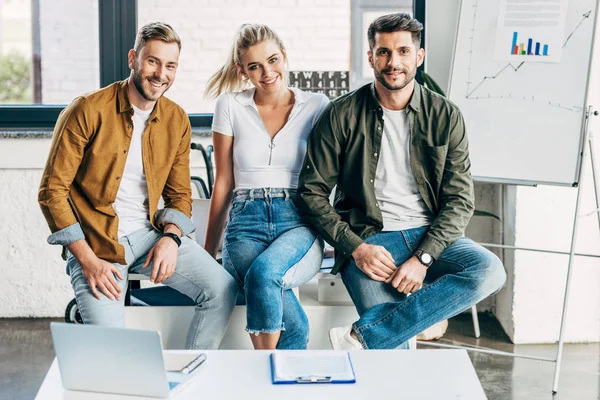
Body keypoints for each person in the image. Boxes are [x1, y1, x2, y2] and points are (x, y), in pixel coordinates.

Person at [297, 13, 506, 350]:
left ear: (418, 57)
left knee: (489, 271)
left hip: (431, 234)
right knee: (394, 341)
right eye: (383, 52)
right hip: (370, 239)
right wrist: (357, 249)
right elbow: (311, 193)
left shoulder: (446, 116)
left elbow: (460, 199)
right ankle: (403, 330)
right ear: (371, 57)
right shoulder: (341, 114)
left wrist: (423, 258)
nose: (393, 62)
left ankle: (358, 337)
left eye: (404, 51)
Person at [38, 22, 237, 349]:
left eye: (170, 65)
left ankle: (192, 373)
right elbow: (52, 192)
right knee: (114, 349)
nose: (161, 74)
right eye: (152, 61)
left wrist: (171, 238)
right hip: (96, 242)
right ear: (133, 58)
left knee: (222, 289)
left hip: (149, 234)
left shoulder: (177, 120)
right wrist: (87, 261)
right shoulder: (87, 109)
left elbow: (180, 195)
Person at [204, 23, 329, 350]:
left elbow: (330, 176)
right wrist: (208, 253)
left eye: (273, 60)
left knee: (264, 274)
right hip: (245, 223)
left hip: (298, 221)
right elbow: (223, 183)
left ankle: (264, 376)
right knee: (296, 327)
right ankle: (275, 384)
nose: (267, 72)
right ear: (242, 70)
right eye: (255, 66)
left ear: (284, 56)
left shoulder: (317, 105)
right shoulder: (230, 106)